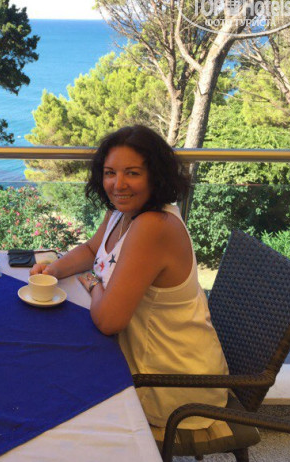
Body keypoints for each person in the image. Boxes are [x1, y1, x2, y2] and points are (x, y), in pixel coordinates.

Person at [30, 124, 228, 434]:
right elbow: (91, 249)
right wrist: (53, 270)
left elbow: (109, 321)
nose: (118, 184)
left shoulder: (154, 226)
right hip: (136, 358)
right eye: (110, 173)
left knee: (47, 378)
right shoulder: (121, 214)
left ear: (155, 176)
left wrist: (93, 282)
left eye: (132, 173)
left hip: (171, 383)